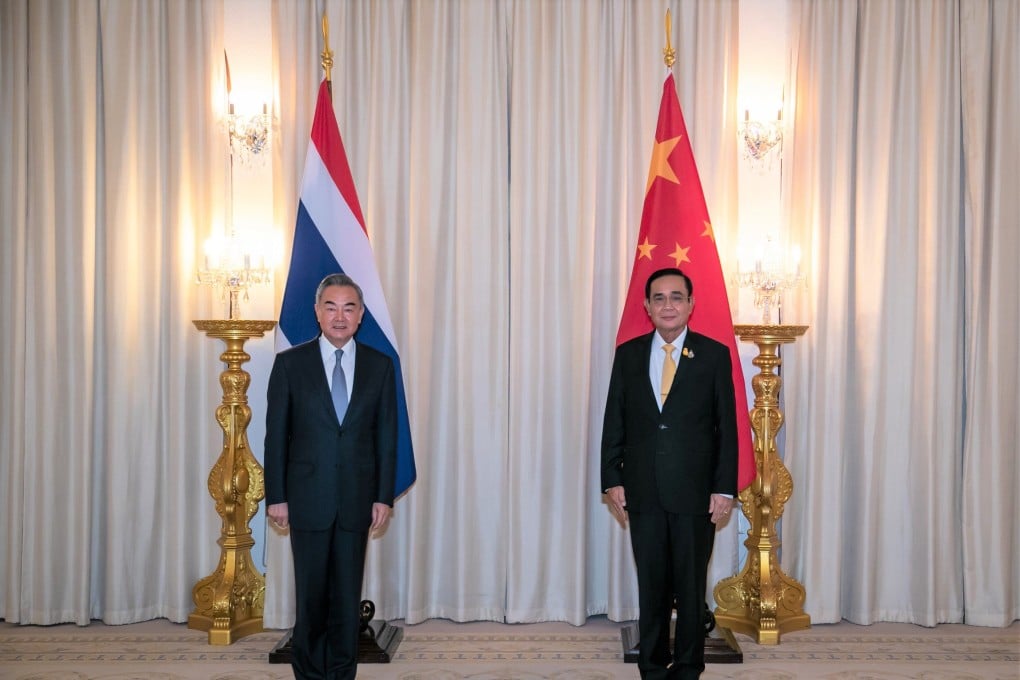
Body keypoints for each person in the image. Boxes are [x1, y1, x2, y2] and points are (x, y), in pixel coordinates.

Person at [601, 267, 738, 680]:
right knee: (653, 585)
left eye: (676, 297)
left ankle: (688, 667)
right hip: (642, 490)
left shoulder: (713, 354)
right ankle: (653, 666)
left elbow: (726, 428)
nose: (668, 305)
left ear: (691, 305)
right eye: (658, 298)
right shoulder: (628, 354)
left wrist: (724, 487)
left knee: (691, 586)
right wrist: (611, 478)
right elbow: (615, 421)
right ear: (646, 306)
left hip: (696, 493)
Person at [265, 273, 397, 680]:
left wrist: (383, 496)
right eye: (331, 307)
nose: (340, 316)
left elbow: (386, 438)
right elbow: (276, 437)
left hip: (358, 501)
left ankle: (342, 672)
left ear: (360, 316)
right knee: (311, 598)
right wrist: (277, 497)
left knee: (345, 600)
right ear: (318, 313)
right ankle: (307, 673)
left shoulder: (380, 366)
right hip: (306, 500)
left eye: (349, 308)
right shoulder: (290, 364)